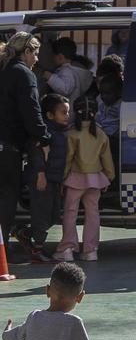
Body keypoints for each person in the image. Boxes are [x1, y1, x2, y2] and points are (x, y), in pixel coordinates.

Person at [0, 33, 51, 252]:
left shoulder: (3, 70)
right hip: (8, 148)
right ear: (27, 51)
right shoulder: (23, 74)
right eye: (36, 53)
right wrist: (44, 138)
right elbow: (32, 112)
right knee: (7, 200)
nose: (37, 59)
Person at [52, 97, 115, 263]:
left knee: (70, 212)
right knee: (93, 213)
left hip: (75, 178)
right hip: (96, 178)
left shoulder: (71, 133)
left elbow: (68, 158)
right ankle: (91, 250)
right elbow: (106, 158)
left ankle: (67, 249)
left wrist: (62, 177)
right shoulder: (100, 134)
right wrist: (109, 176)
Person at [18, 94, 70, 263]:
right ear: (50, 115)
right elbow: (36, 155)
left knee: (54, 215)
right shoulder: (43, 133)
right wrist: (41, 174)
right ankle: (37, 248)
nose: (67, 116)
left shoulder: (60, 133)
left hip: (54, 179)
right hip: (42, 178)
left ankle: (25, 233)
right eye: (63, 112)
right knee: (41, 213)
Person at [42, 36, 94, 105]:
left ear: (60, 57)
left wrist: (50, 77)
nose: (52, 58)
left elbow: (65, 89)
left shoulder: (67, 71)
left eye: (54, 55)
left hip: (68, 111)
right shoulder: (75, 69)